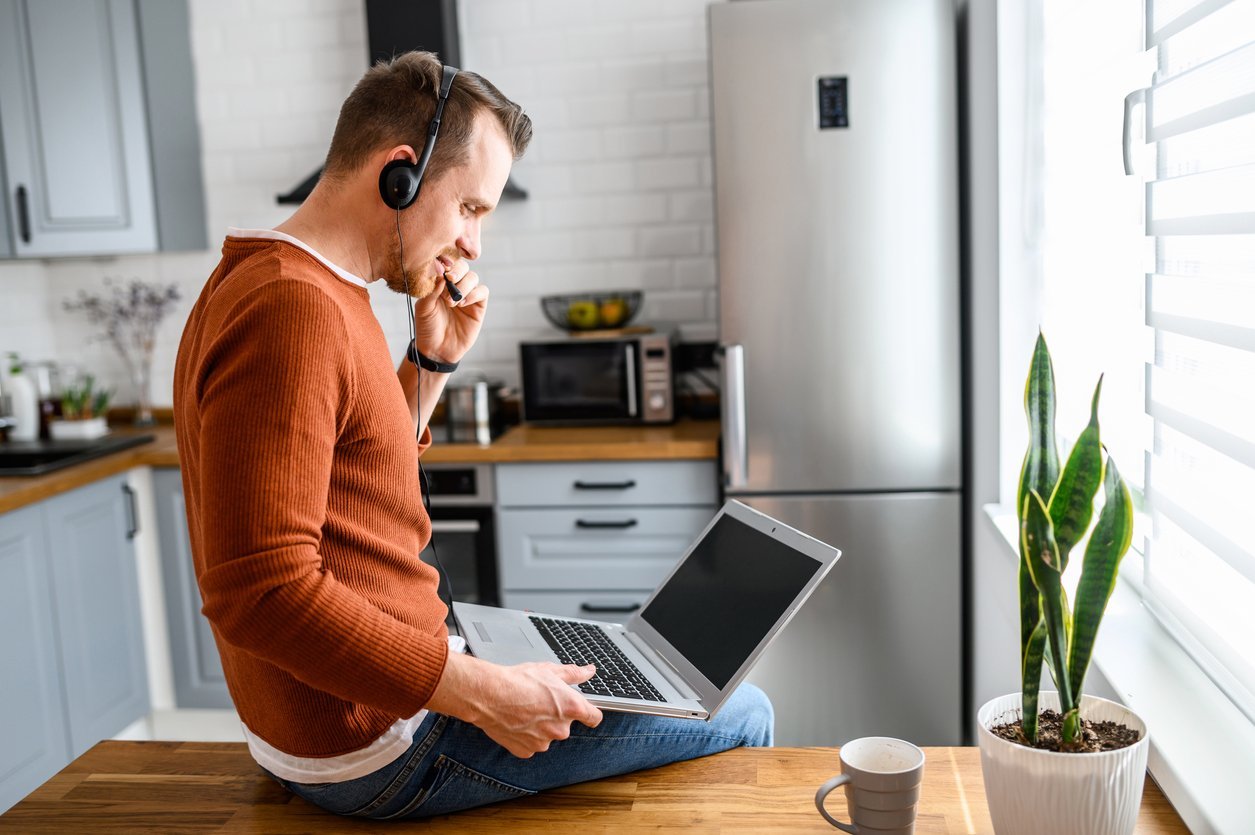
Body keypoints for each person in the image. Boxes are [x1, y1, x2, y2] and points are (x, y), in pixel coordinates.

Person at [173, 51, 772, 821]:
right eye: (471, 209)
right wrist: (486, 693)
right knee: (743, 709)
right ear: (401, 172)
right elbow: (259, 591)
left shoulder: (290, 281)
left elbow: (351, 478)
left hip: (365, 709)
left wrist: (433, 359)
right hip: (377, 741)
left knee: (640, 683)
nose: (473, 244)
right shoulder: (292, 309)